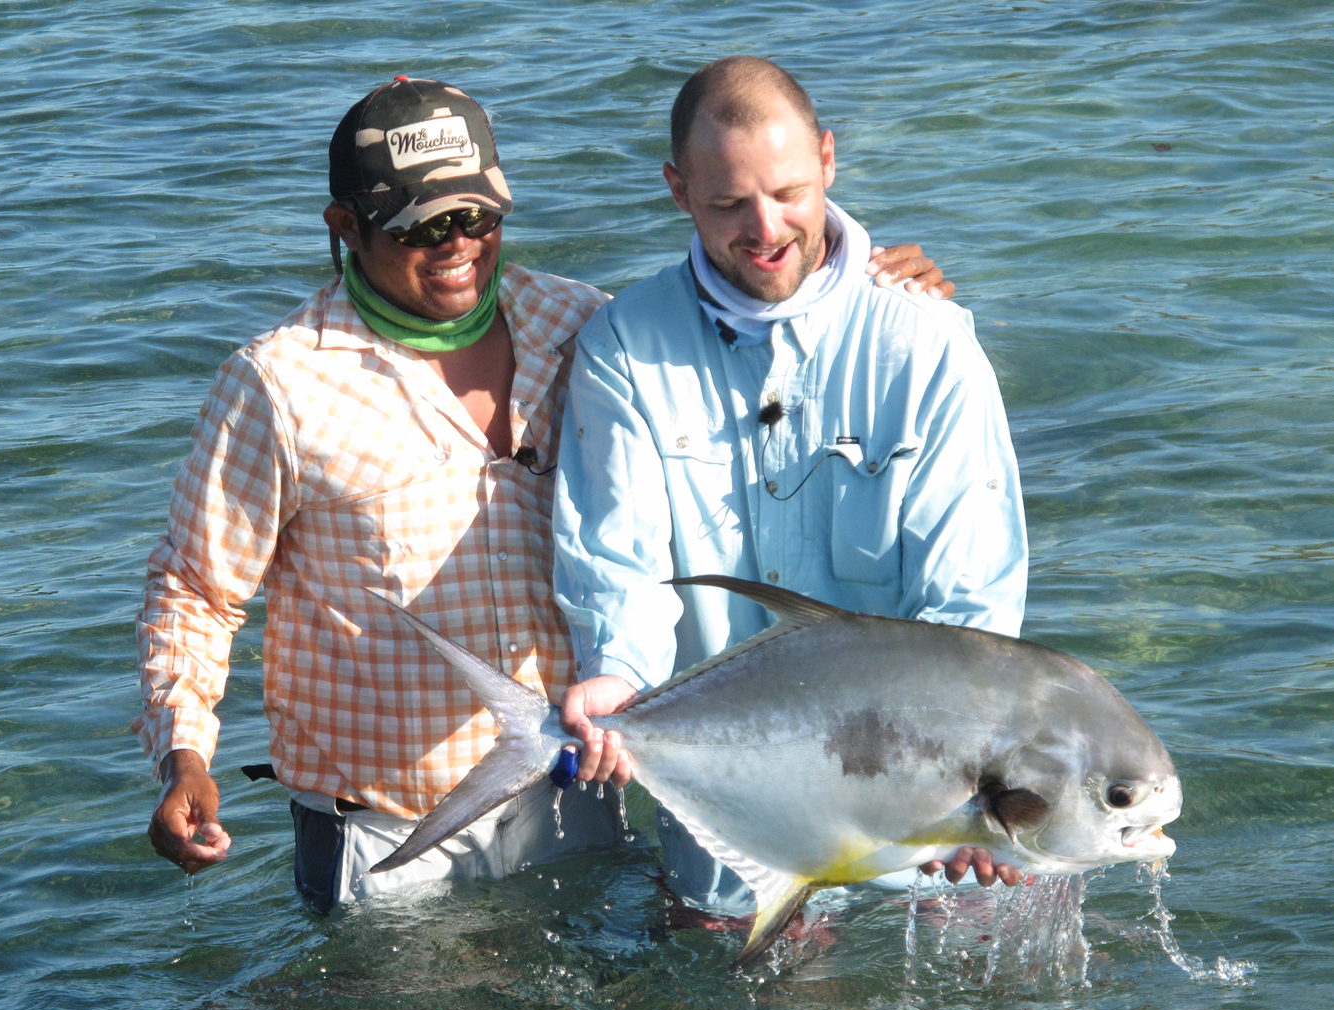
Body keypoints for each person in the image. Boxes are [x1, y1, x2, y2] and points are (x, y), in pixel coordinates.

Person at [133, 74, 955, 910]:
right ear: (345, 228)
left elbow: (755, 369)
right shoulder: (278, 385)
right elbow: (194, 590)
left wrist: (867, 282)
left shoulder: (581, 327)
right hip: (392, 830)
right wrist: (184, 755)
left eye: (477, 218)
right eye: (423, 227)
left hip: (579, 798)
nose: (458, 246)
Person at [553, 56, 1028, 915]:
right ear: (677, 189)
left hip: (920, 825)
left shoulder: (929, 344)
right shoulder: (622, 347)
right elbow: (616, 560)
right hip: (727, 832)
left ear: (829, 161)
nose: (765, 228)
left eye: (789, 192)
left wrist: (970, 787)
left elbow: (970, 602)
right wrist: (615, 678)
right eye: (728, 203)